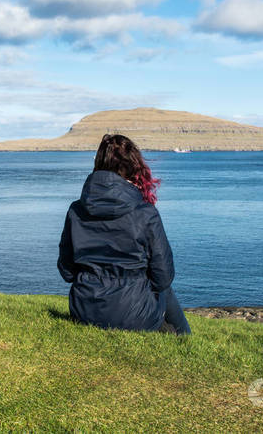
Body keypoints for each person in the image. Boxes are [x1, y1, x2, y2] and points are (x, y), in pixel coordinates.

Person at [57, 134, 191, 335]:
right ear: (134, 168)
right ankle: (185, 338)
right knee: (165, 290)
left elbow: (66, 271)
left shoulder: (75, 210)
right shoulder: (146, 213)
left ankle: (177, 335)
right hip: (133, 314)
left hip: (83, 310)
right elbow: (163, 277)